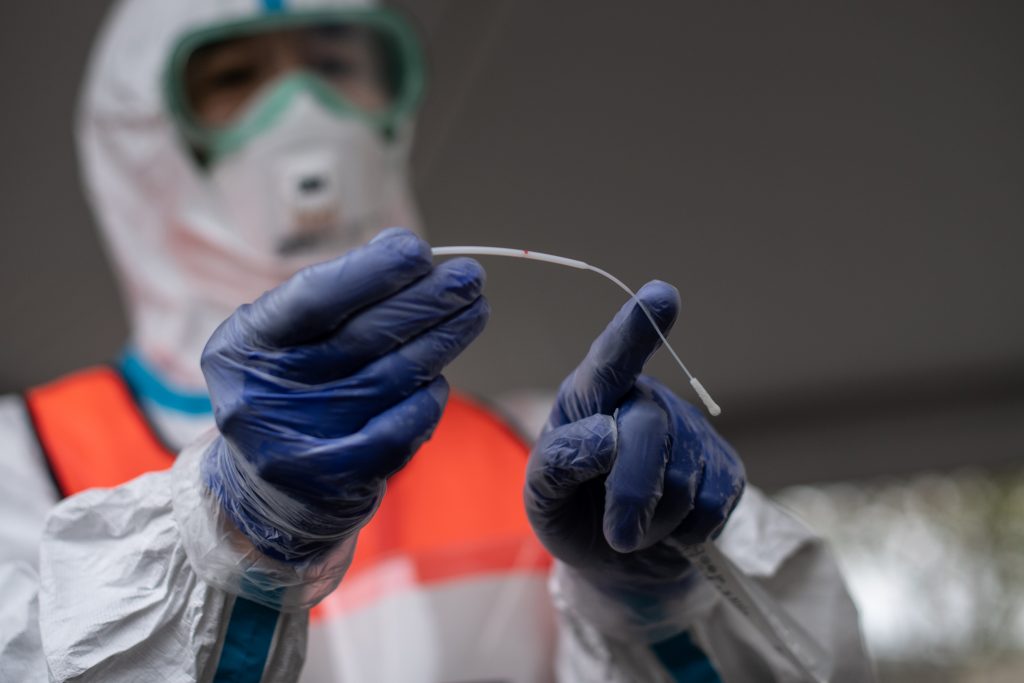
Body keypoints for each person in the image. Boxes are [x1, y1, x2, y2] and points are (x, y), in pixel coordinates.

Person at [0, 1, 874, 681]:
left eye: (338, 65)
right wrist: (233, 529)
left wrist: (662, 608)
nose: (303, 115)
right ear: (144, 138)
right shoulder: (21, 459)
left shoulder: (556, 459)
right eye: (234, 77)